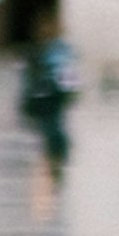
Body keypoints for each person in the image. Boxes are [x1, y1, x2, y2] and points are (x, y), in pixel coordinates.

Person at [18, 15, 80, 185]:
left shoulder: (58, 49)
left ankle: (58, 154)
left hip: (52, 93)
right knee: (50, 126)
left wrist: (70, 89)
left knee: (51, 126)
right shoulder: (42, 50)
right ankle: (57, 154)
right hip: (46, 93)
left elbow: (67, 70)